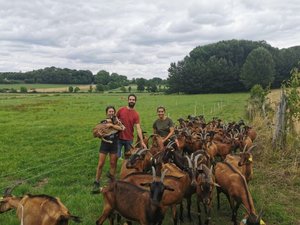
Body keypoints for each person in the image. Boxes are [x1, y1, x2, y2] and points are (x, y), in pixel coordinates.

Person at [92, 106, 124, 193]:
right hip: (105, 145)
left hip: (114, 145)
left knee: (113, 163)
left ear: (115, 112)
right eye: (109, 111)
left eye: (112, 111)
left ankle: (112, 182)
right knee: (101, 164)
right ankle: (97, 181)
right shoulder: (103, 122)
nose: (111, 113)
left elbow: (122, 128)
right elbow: (95, 133)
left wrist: (112, 125)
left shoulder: (117, 122)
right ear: (106, 113)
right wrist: (98, 133)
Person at [116, 94, 147, 159]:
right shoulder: (121, 110)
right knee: (115, 157)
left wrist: (142, 141)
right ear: (128, 100)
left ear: (135, 101)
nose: (131, 101)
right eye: (130, 99)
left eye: (133, 100)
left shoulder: (136, 114)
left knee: (128, 159)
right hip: (118, 138)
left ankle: (124, 168)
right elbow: (114, 118)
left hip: (129, 139)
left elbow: (138, 128)